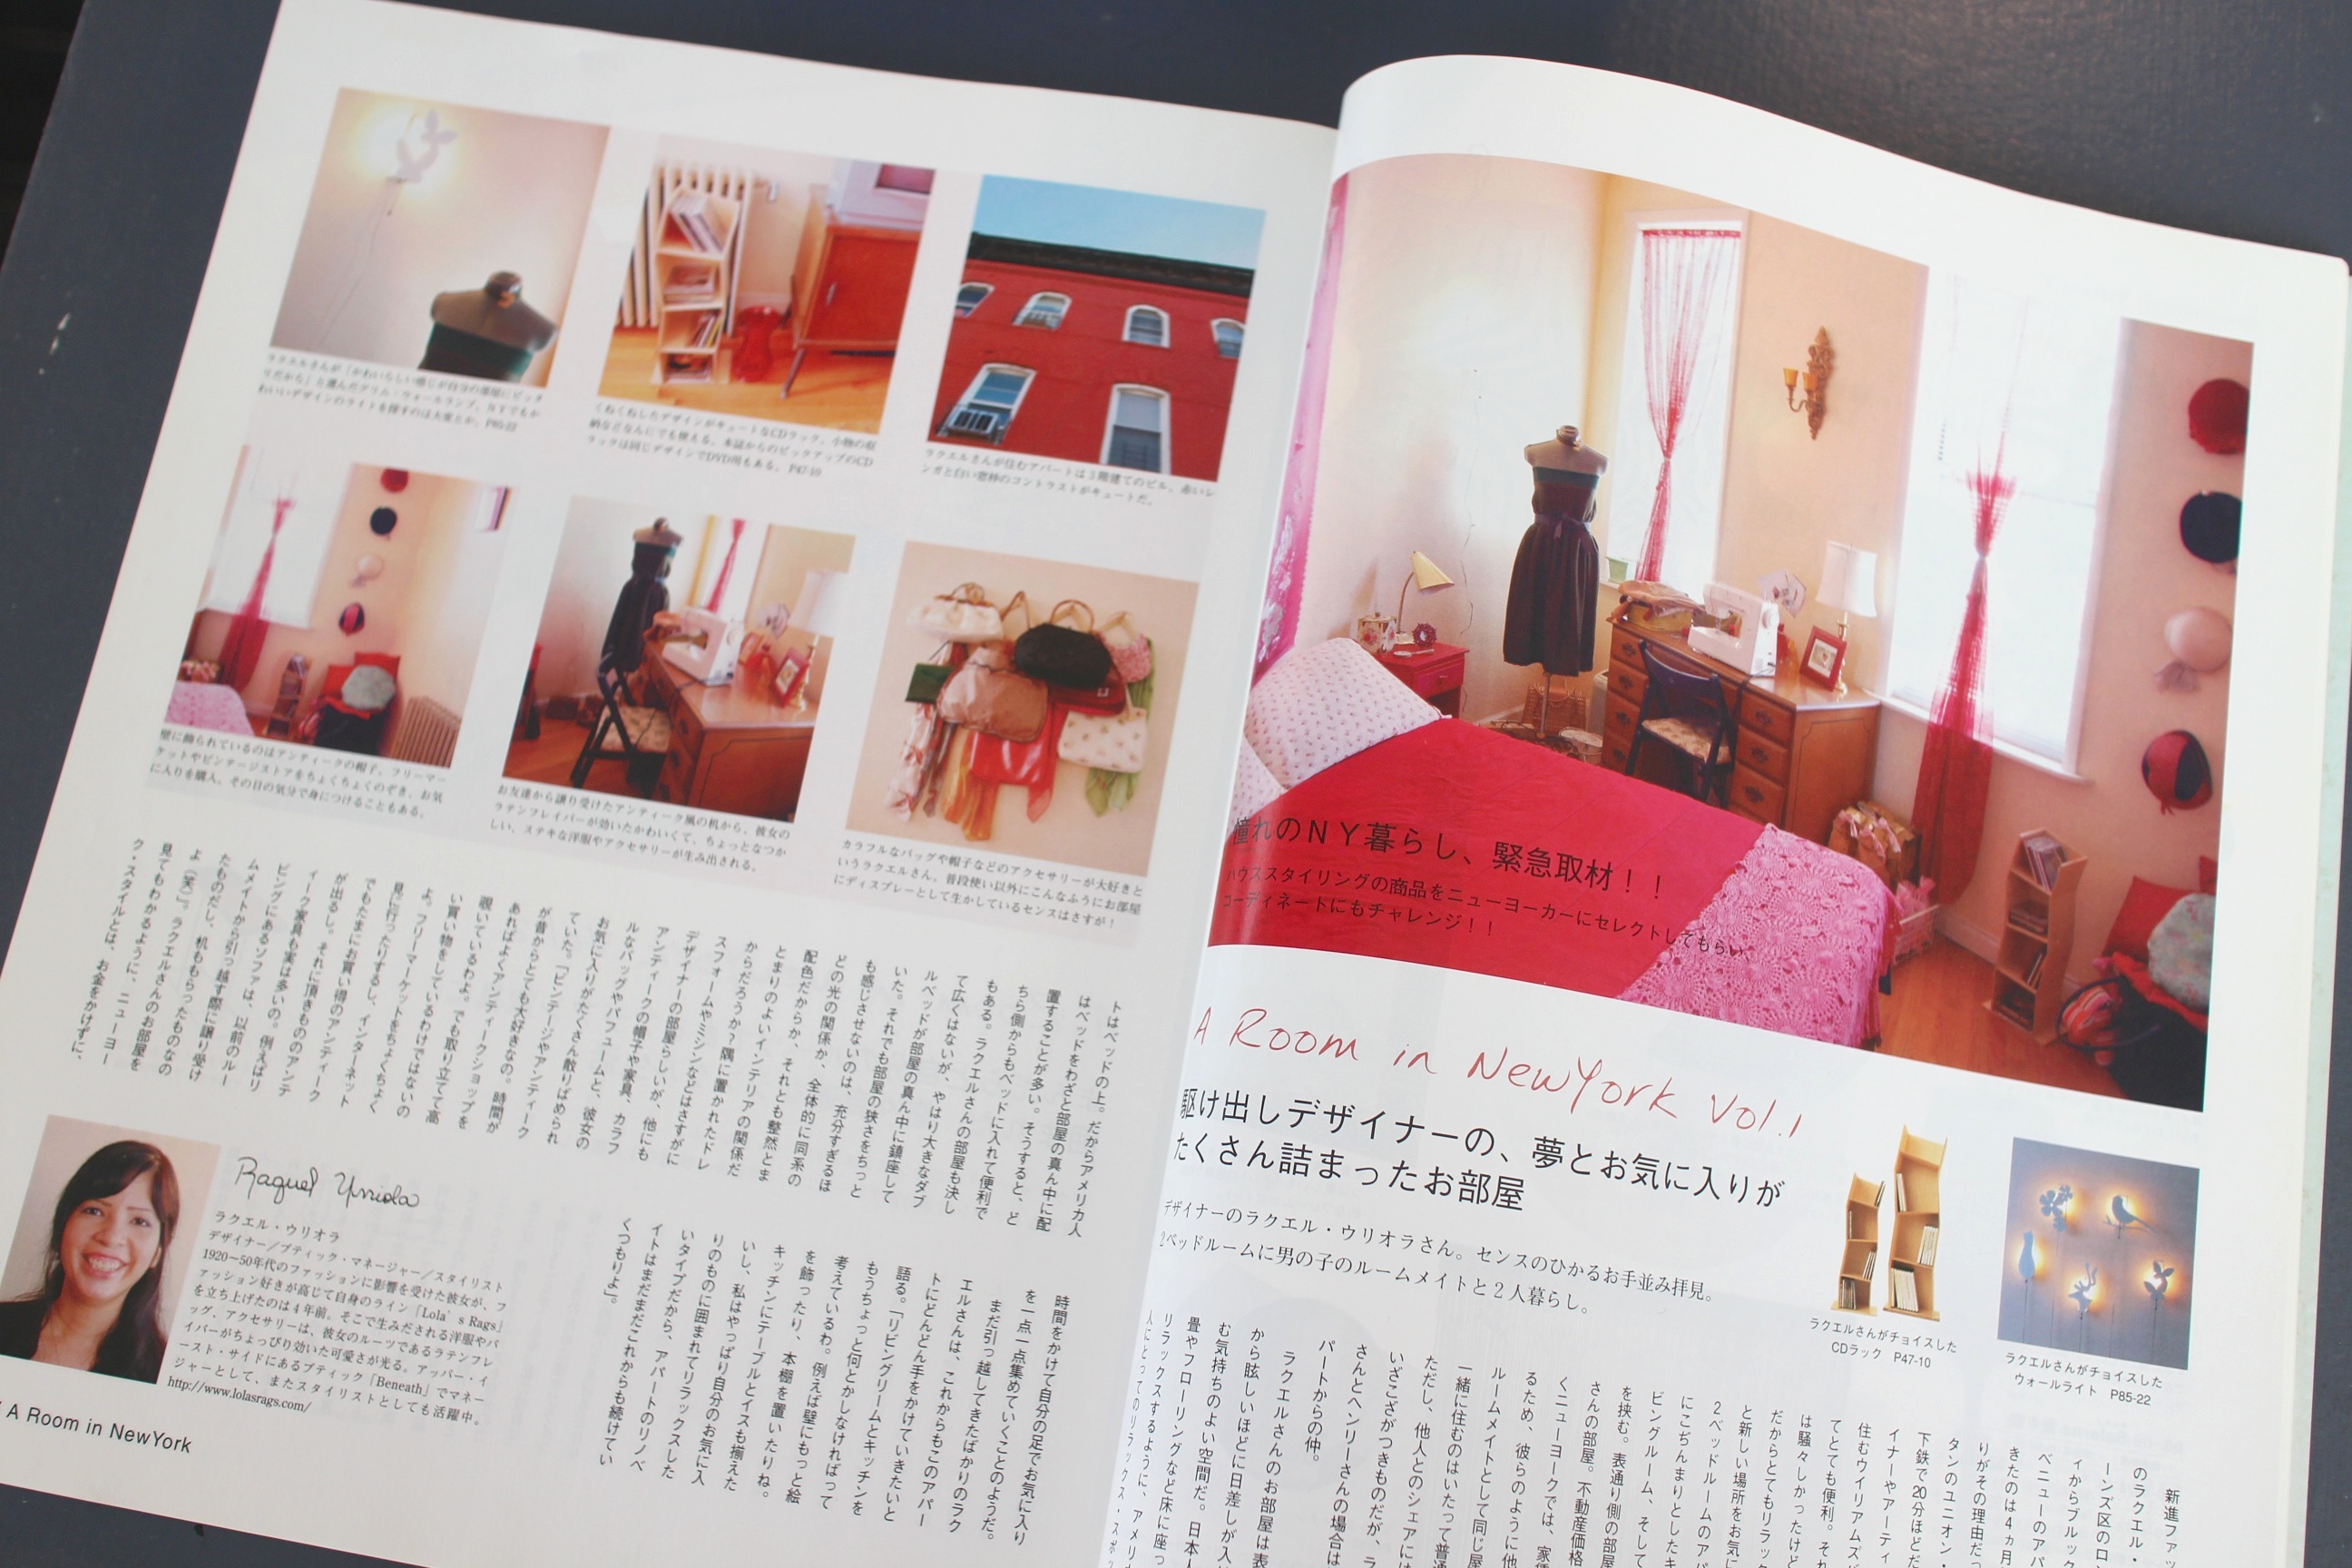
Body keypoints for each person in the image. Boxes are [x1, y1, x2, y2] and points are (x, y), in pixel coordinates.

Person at [0, 1141, 180, 1383]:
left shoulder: (163, 1374)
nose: (111, 1237)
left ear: (158, 1252)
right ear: (62, 1227)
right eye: (94, 1211)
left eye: (139, 1221)